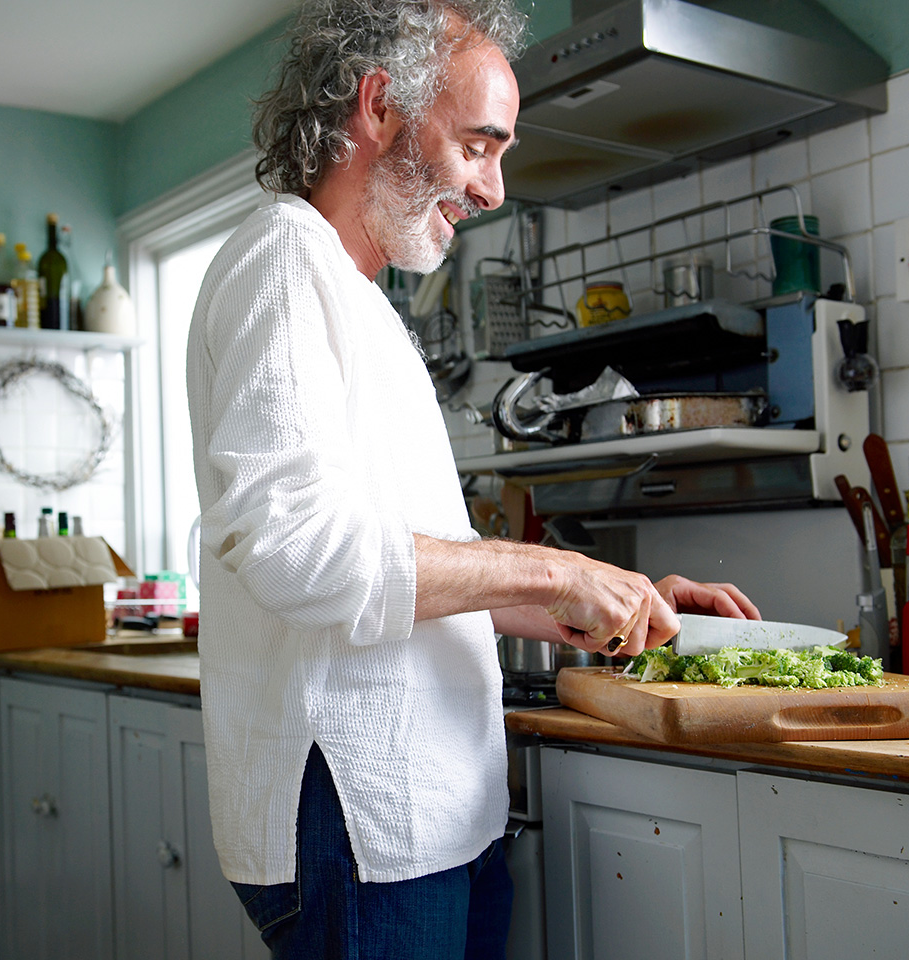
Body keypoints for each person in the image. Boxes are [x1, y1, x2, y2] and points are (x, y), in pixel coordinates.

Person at [184, 1, 761, 957]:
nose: (494, 188)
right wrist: (553, 574)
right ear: (378, 107)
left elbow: (409, 574)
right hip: (360, 824)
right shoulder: (284, 261)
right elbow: (298, 551)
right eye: (479, 145)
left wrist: (614, 600)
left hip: (427, 819)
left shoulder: (357, 298)